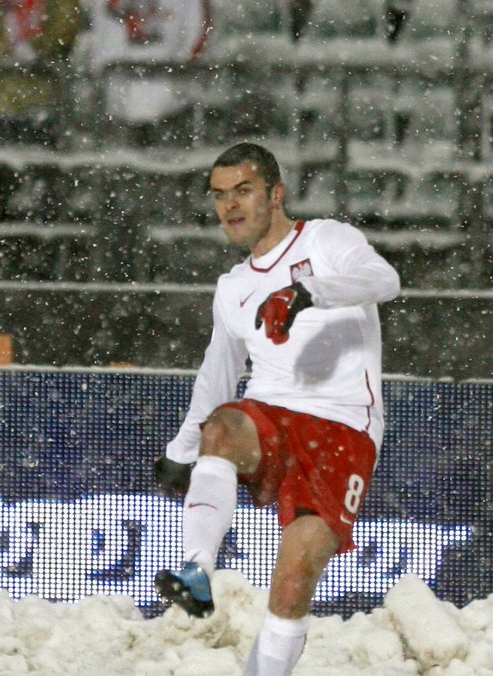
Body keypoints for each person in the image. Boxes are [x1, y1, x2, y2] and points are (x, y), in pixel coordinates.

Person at [152, 142, 400, 675]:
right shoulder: (233, 287)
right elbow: (217, 371)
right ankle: (196, 571)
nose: (230, 206)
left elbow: (385, 280)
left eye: (243, 191)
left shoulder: (327, 239)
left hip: (343, 429)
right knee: (222, 424)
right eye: (220, 196)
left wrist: (307, 291)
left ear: (276, 193)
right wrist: (182, 450)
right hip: (271, 418)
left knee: (291, 586)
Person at [0, 0, 85, 220]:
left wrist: (39, 47)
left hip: (41, 102)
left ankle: (42, 237)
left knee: (43, 182)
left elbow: (68, 23)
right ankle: (1, 239)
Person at [87, 0, 211, 147]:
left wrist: (180, 77)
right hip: (121, 100)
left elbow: (197, 35)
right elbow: (100, 40)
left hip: (169, 101)